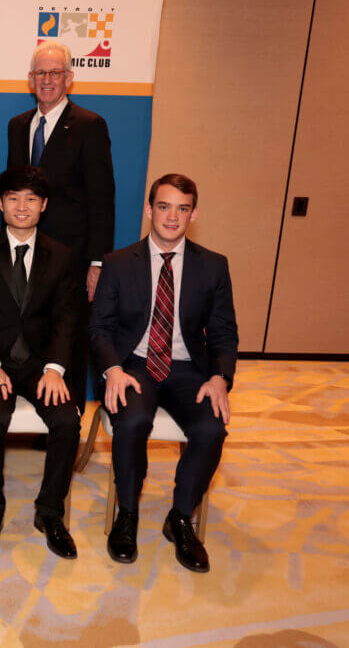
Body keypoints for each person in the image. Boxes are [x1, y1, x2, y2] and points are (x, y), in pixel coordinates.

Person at [90, 173, 238, 573]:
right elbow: (99, 327)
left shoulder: (213, 266)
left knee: (211, 428)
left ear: (193, 214)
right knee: (133, 420)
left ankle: (181, 518)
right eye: (164, 206)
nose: (172, 217)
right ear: (149, 209)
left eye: (182, 208)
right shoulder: (118, 263)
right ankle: (127, 514)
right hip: (134, 364)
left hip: (189, 368)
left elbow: (223, 331)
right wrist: (113, 369)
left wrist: (220, 377)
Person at [0, 166, 81, 559]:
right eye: (13, 198)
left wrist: (56, 369)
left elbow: (67, 318)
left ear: (44, 205)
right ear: (0, 203)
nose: (22, 206)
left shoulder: (61, 256)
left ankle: (50, 513)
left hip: (40, 364)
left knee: (67, 422)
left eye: (31, 198)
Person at [8, 40, 115, 411]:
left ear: (69, 78)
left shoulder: (89, 126)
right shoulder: (18, 126)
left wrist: (97, 263)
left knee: (68, 336)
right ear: (30, 79)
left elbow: (102, 200)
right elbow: (14, 193)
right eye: (41, 73)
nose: (47, 80)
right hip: (27, 252)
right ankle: (37, 409)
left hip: (73, 258)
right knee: (31, 329)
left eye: (55, 72)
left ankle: (66, 419)